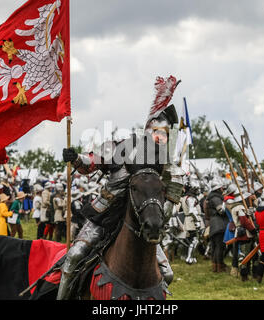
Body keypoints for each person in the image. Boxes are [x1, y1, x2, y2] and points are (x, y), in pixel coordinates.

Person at [57, 77, 182, 300]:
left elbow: (171, 194)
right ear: (149, 129)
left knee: (167, 273)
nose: (161, 136)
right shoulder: (124, 146)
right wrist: (76, 157)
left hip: (139, 219)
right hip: (106, 214)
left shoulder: (165, 162)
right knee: (74, 256)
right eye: (158, 130)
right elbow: (93, 161)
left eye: (166, 132)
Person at [205, 179, 228, 272]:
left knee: (215, 246)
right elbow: (221, 211)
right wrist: (226, 203)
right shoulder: (216, 198)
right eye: (221, 188)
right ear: (218, 188)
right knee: (219, 246)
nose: (223, 189)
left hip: (215, 223)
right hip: (218, 223)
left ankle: (215, 266)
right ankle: (219, 267)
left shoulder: (213, 197)